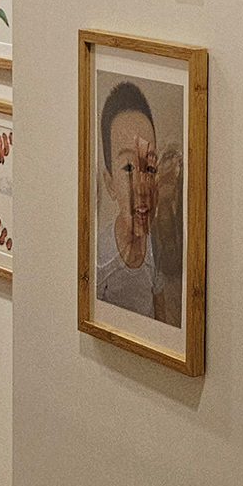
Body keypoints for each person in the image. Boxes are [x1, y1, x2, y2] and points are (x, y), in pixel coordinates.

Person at [93, 80, 181, 328]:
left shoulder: (155, 245)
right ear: (110, 183)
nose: (142, 187)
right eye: (129, 168)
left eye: (150, 168)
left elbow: (159, 307)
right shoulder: (100, 256)